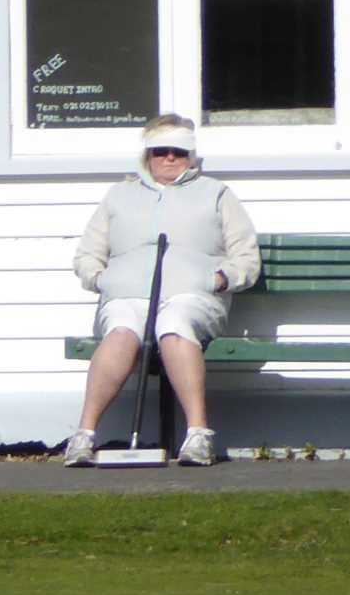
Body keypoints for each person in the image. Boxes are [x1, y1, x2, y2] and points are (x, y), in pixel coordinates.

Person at [64, 114, 258, 468]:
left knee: (175, 325)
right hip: (128, 294)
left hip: (192, 295)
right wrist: (101, 279)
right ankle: (84, 435)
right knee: (122, 332)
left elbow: (245, 257)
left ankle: (198, 434)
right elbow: (88, 255)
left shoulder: (216, 194)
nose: (169, 158)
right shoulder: (119, 196)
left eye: (179, 152)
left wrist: (219, 280)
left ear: (191, 155)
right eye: (161, 151)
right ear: (147, 155)